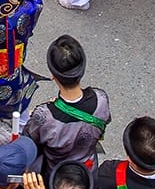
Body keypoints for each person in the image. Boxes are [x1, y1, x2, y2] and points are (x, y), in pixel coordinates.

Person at [23, 36, 111, 172]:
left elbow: (29, 140)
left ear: (53, 75)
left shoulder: (44, 115)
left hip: (56, 175)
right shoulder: (101, 99)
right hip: (87, 170)